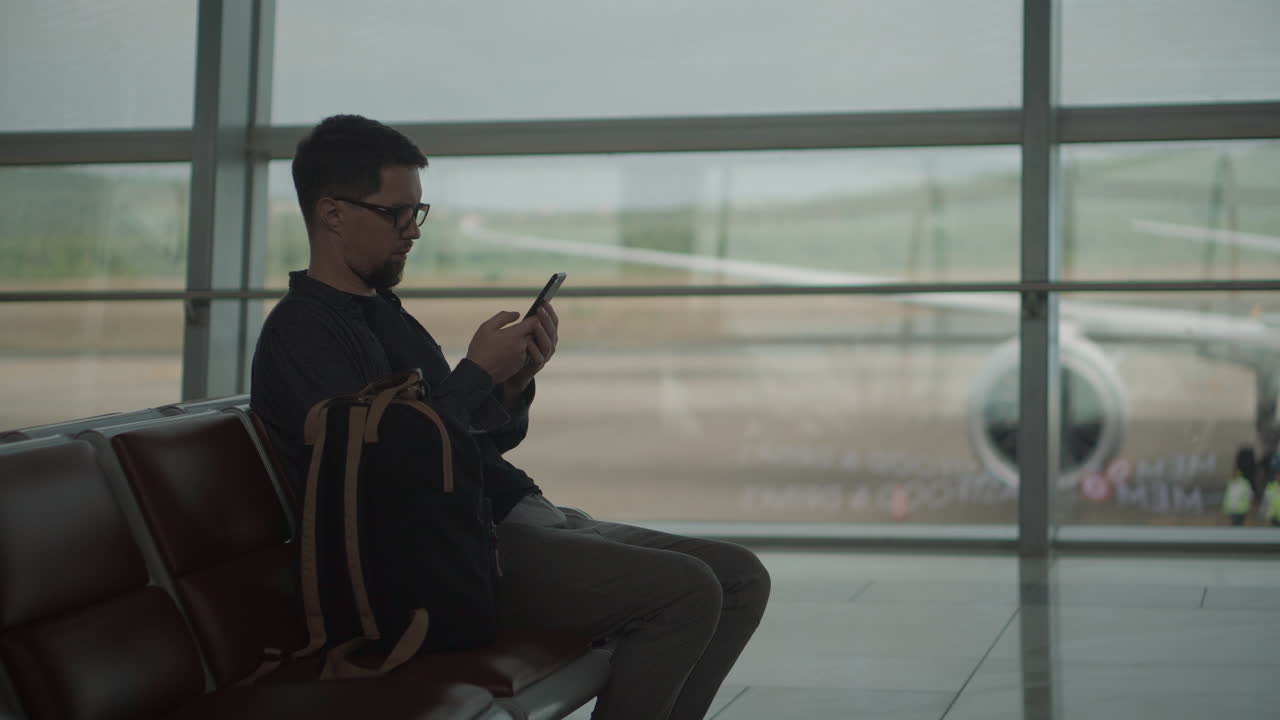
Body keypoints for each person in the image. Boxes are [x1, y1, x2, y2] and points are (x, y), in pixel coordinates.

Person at [250, 114, 770, 720]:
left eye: (417, 212)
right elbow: (388, 471)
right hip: (461, 553)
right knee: (686, 591)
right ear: (333, 212)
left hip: (513, 516)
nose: (411, 232)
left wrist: (512, 382)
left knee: (740, 577)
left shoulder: (383, 311)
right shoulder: (304, 333)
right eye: (397, 213)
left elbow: (468, 436)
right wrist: (475, 373)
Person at [1221, 446, 1255, 526]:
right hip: (1232, 509)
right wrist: (1225, 509)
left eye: (1234, 472)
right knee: (1234, 527)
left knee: (1238, 526)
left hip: (1241, 510)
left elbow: (1250, 495)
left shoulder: (1244, 483)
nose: (1233, 474)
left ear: (1238, 473)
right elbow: (1227, 497)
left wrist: (1250, 506)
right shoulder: (1230, 483)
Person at [1261, 454, 1280, 527]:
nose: (1278, 476)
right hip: (1272, 520)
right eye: (1277, 474)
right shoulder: (1270, 487)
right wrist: (1265, 518)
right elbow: (1265, 503)